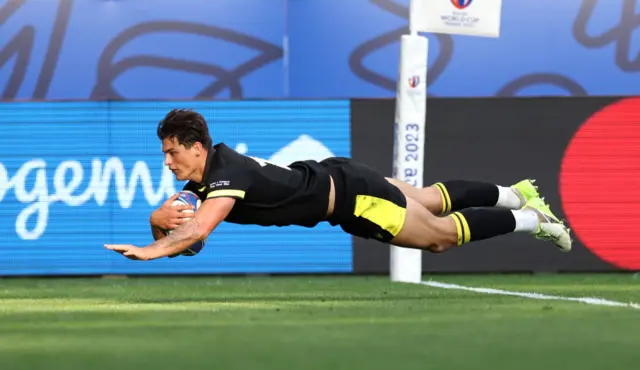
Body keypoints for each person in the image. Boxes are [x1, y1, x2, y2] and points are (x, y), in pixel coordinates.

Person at [105, 109, 572, 261]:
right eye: (164, 153)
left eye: (172, 152)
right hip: (337, 177)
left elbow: (197, 233)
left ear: (197, 147)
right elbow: (190, 247)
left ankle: (531, 218)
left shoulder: (226, 174)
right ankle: (516, 192)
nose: (166, 161)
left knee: (439, 235)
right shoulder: (211, 179)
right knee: (429, 197)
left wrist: (149, 249)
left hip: (351, 197)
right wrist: (155, 224)